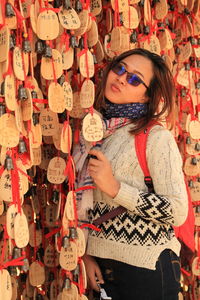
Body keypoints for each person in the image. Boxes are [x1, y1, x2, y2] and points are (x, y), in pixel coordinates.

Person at [78, 48, 188, 300]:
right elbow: (87, 205)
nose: (121, 78)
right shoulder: (96, 131)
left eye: (134, 79)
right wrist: (87, 253)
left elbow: (178, 210)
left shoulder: (155, 137)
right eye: (120, 69)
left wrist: (115, 188)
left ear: (146, 96)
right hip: (102, 267)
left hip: (147, 268)